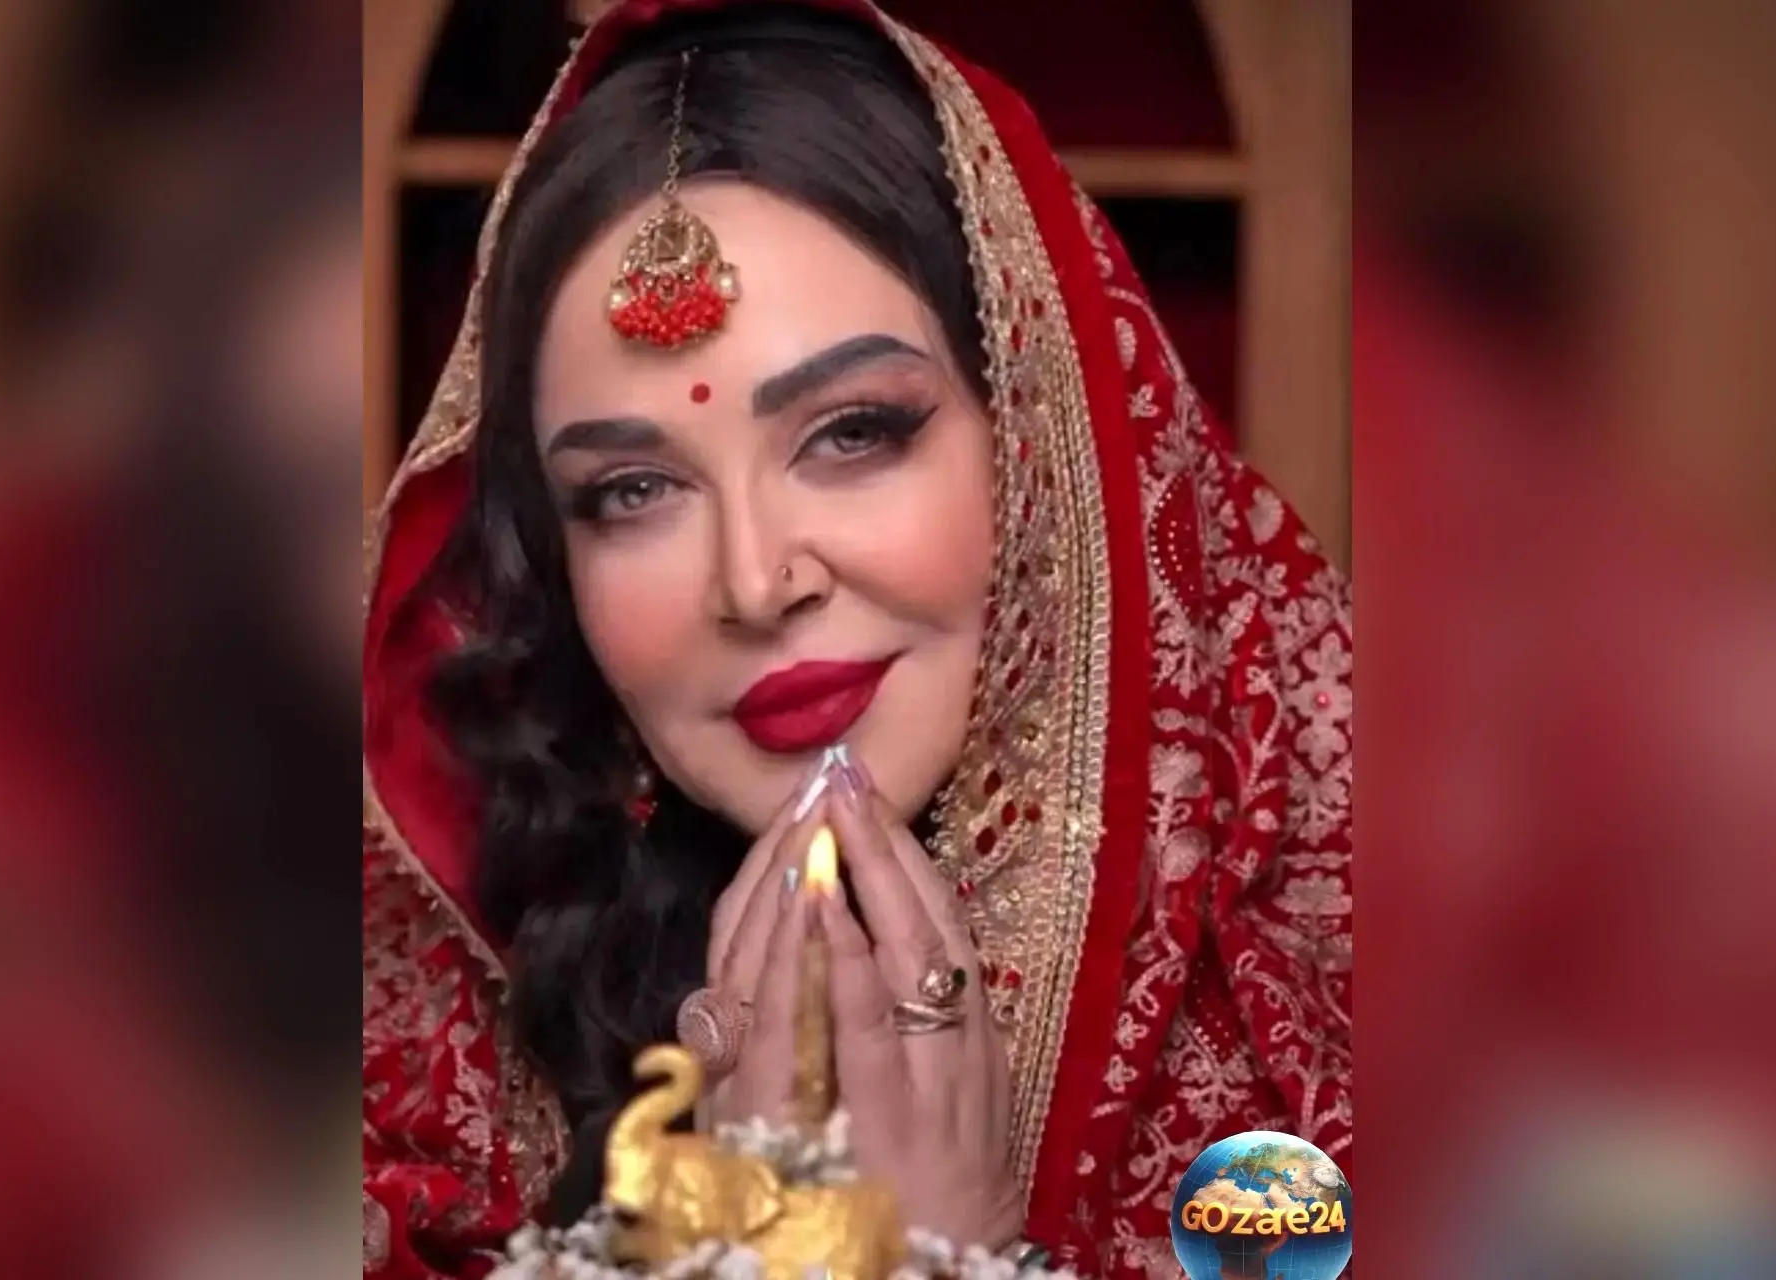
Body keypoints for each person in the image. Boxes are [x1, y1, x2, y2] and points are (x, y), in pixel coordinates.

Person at [362, 3, 1352, 1277]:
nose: (754, 580)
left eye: (853, 431)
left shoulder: (1389, 1009)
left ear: (1042, 431)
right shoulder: (411, 1129)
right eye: (632, 489)